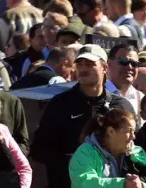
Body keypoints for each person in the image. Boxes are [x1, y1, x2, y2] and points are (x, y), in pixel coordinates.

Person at [31, 45, 126, 188]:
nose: (83, 69)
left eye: (89, 64)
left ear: (105, 68)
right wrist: (75, 161)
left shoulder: (120, 106)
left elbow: (130, 148)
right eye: (79, 64)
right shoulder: (59, 104)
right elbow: (39, 149)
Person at [66, 104, 146, 188]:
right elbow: (84, 183)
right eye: (129, 131)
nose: (133, 137)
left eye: (134, 132)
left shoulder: (137, 152)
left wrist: (142, 185)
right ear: (111, 131)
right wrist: (122, 184)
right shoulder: (85, 152)